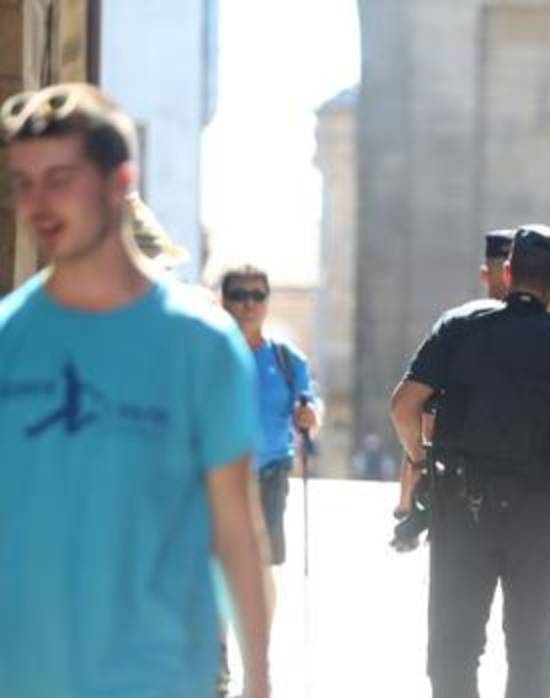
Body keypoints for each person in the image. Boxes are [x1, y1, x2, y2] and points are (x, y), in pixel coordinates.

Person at [0, 83, 272, 697]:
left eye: (61, 179)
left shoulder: (199, 343)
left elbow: (236, 529)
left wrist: (258, 679)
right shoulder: (8, 340)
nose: (38, 203)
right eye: (24, 182)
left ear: (121, 181)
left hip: (159, 677)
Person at [390, 224, 550, 698]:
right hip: (538, 516)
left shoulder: (460, 326)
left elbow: (403, 406)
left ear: (509, 271)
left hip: (462, 509)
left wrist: (420, 458)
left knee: (453, 654)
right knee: (532, 659)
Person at [394, 228, 517, 519]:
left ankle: (410, 510)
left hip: (458, 483)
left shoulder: (457, 326)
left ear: (486, 275)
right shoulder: (547, 333)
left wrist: (411, 489)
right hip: (524, 487)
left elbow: (410, 406)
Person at [220, 263, 321, 567]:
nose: (249, 303)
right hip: (216, 476)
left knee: (261, 568)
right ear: (223, 300)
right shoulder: (206, 353)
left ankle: (256, 616)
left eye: (258, 295)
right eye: (239, 295)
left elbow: (309, 410)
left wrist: (308, 416)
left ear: (267, 301)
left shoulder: (288, 360)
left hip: (270, 477)